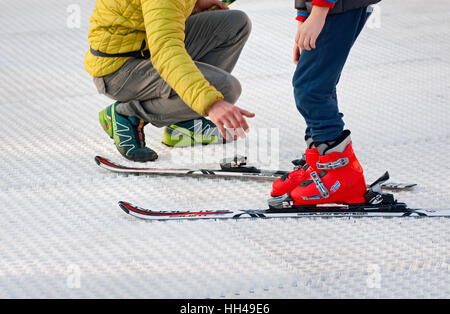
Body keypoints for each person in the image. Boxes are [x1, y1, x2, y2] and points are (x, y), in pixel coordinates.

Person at [85, 0, 254, 162]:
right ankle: (127, 114)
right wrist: (210, 103)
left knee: (234, 24)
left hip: (144, 47)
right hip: (119, 71)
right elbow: (166, 51)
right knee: (224, 89)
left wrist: (195, 3)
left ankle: (183, 121)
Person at [271, 0, 381, 205]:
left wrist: (318, 13)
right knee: (318, 83)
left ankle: (342, 177)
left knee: (311, 89)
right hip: (329, 6)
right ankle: (321, 164)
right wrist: (304, 17)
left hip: (336, 6)